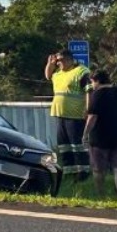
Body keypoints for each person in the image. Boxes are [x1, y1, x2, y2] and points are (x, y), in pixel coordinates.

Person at [45, 49, 92, 184]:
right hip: (61, 115)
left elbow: (89, 91)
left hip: (75, 115)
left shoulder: (81, 72)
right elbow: (48, 76)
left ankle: (83, 173)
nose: (58, 63)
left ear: (69, 60)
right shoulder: (58, 74)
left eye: (60, 60)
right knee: (64, 146)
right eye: (57, 61)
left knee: (77, 146)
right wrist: (50, 63)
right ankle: (69, 173)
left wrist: (88, 109)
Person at [83, 70, 117, 199]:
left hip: (100, 137)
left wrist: (85, 134)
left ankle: (101, 195)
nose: (92, 85)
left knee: (98, 169)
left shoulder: (97, 95)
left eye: (92, 82)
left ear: (97, 81)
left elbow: (92, 117)